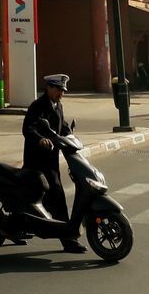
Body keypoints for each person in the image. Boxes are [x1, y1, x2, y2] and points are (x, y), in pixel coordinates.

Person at [23, 73, 87, 254]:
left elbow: (62, 126)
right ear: (49, 88)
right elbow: (28, 129)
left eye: (63, 90)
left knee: (53, 197)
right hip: (37, 162)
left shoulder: (58, 106)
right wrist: (40, 139)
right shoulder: (37, 106)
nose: (61, 93)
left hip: (51, 161)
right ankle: (68, 240)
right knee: (56, 197)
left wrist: (72, 137)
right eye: (58, 89)